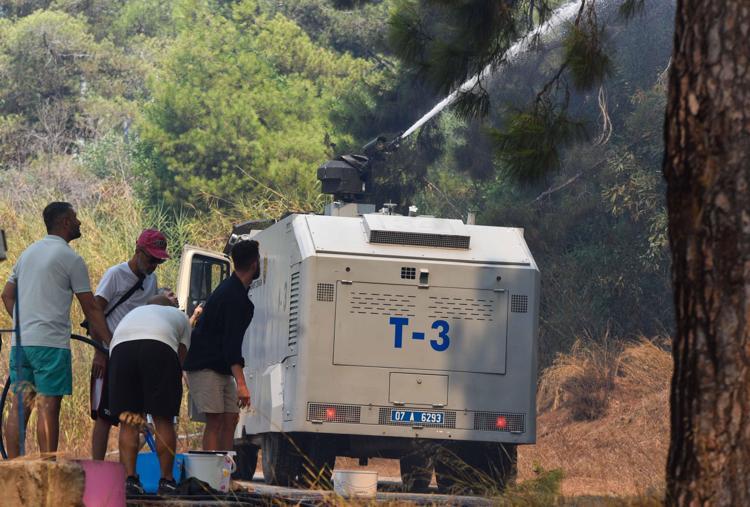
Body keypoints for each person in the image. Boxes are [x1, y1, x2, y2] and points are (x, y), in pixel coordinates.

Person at [0, 202, 110, 458]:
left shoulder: (28, 253)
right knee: (48, 406)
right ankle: (48, 469)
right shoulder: (71, 258)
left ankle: (13, 469)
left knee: (20, 405)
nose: (79, 222)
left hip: (21, 344)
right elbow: (91, 307)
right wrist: (110, 343)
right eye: (75, 217)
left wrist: (23, 323)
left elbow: (6, 295)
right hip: (50, 345)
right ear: (65, 222)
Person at [90, 229, 170, 460]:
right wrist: (100, 352)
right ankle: (97, 468)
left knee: (134, 417)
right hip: (109, 353)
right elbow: (94, 311)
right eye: (151, 259)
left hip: (135, 357)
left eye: (158, 261)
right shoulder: (115, 274)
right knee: (104, 417)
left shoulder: (151, 280)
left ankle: (128, 472)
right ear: (138, 250)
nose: (154, 266)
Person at [108, 294, 191, 495]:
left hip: (120, 350)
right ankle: (166, 480)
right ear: (170, 307)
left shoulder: (134, 313)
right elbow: (180, 358)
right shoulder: (179, 316)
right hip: (159, 347)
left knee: (129, 420)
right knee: (163, 418)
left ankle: (129, 481)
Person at [183, 240, 259, 451]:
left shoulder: (236, 291)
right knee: (215, 420)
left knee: (231, 418)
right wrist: (242, 384)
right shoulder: (232, 295)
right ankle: (211, 471)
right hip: (204, 366)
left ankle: (225, 469)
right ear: (254, 264)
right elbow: (231, 344)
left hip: (221, 366)